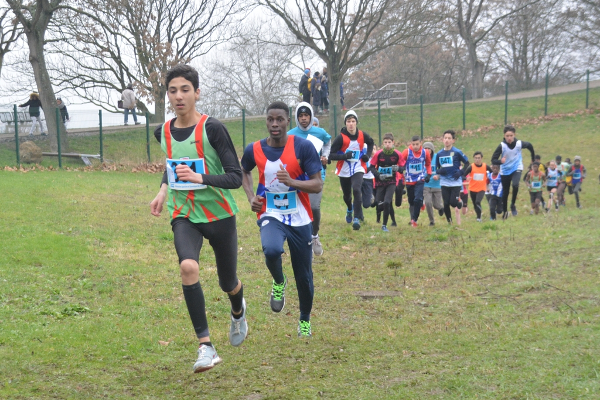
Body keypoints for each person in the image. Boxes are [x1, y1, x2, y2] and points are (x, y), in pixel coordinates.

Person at [149, 64, 247, 373]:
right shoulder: (162, 131)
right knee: (188, 267)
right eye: (173, 91)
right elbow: (172, 164)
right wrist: (163, 190)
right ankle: (206, 346)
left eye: (185, 90)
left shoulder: (212, 129)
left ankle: (238, 309)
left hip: (219, 214)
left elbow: (235, 177)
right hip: (184, 213)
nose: (179, 96)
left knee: (227, 282)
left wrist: (199, 176)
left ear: (197, 93)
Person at [241, 101, 323, 338]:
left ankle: (304, 320)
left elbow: (317, 184)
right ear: (266, 121)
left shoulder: (303, 147)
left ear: (288, 121)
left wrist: (293, 182)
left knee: (304, 276)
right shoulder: (254, 148)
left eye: (279, 119)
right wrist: (250, 197)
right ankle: (279, 281)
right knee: (271, 250)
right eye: (270, 119)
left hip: (300, 217)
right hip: (270, 213)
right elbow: (243, 171)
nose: (274, 124)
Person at [287, 102, 332, 256]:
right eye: (301, 116)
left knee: (314, 207)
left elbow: (327, 142)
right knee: (299, 210)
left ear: (311, 116)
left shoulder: (319, 132)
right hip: (297, 178)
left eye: (306, 115)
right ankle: (304, 243)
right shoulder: (290, 135)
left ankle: (314, 235)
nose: (304, 118)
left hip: (316, 176)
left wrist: (325, 155)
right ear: (296, 118)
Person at [328, 110, 374, 230]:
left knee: (357, 189)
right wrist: (344, 156)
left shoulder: (363, 135)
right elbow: (330, 155)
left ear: (356, 123)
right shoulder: (340, 138)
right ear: (345, 123)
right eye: (348, 121)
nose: (351, 124)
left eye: (353, 121)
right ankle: (349, 208)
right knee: (347, 195)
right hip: (344, 169)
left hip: (358, 167)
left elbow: (371, 143)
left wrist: (367, 156)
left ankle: (357, 218)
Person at [491, 125, 535, 219]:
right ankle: (505, 212)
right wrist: (500, 161)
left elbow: (530, 146)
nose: (509, 138)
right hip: (505, 170)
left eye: (511, 135)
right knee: (505, 192)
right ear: (504, 136)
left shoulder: (519, 144)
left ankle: (513, 205)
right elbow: (493, 160)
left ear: (514, 135)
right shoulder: (502, 146)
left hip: (516, 167)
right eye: (507, 136)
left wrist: (533, 159)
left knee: (515, 184)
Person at [369, 133, 406, 232]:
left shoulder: (397, 154)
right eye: (385, 142)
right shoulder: (378, 154)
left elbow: (403, 167)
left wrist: (398, 168)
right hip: (380, 182)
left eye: (389, 142)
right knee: (379, 204)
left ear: (393, 143)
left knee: (387, 202)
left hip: (392, 181)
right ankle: (382, 217)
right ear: (383, 143)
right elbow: (371, 167)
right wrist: (378, 175)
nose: (387, 144)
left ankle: (384, 225)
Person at [434, 130, 469, 224]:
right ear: (442, 140)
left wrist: (461, 172)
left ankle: (459, 202)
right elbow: (436, 168)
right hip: (444, 181)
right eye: (445, 138)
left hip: (455, 181)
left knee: (453, 203)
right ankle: (450, 222)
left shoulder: (457, 152)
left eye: (449, 138)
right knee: (445, 203)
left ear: (453, 140)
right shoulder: (439, 154)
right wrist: (440, 171)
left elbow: (467, 164)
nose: (447, 140)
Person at [400, 136, 431, 227]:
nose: (415, 146)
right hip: (409, 180)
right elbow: (401, 163)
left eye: (417, 144)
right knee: (412, 201)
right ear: (411, 144)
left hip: (420, 179)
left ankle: (414, 219)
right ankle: (418, 208)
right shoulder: (406, 152)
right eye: (413, 144)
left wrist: (429, 174)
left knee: (417, 199)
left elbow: (428, 164)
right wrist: (400, 171)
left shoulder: (425, 153)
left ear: (420, 143)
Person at [462, 151, 492, 222]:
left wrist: (489, 181)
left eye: (478, 158)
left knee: (477, 202)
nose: (477, 160)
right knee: (475, 204)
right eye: (475, 158)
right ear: (473, 159)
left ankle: (479, 218)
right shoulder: (471, 167)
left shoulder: (485, 166)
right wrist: (466, 178)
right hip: (472, 189)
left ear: (481, 158)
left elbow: (492, 173)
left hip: (481, 188)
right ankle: (478, 216)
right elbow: (463, 175)